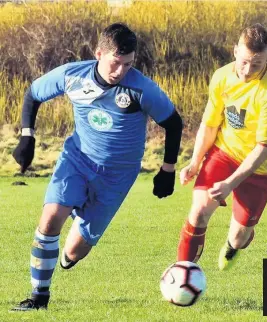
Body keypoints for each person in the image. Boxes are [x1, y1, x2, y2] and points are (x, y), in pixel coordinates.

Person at [11, 23, 183, 311]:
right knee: (51, 217)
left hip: (117, 177)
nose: (121, 71)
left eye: (128, 64)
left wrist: (168, 169)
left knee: (74, 251)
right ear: (99, 53)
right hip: (78, 159)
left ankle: (68, 254)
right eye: (116, 62)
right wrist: (27, 136)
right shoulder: (72, 75)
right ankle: (38, 297)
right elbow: (32, 94)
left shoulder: (141, 88)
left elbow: (173, 122)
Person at [176, 23, 267, 270]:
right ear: (235, 50)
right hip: (224, 152)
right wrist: (195, 162)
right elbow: (210, 123)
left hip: (260, 165)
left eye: (257, 64)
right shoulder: (221, 76)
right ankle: (183, 274)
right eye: (245, 61)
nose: (248, 70)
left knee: (239, 237)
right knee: (199, 211)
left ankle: (238, 240)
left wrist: (230, 183)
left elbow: (262, 147)